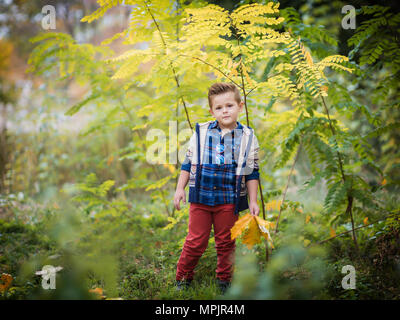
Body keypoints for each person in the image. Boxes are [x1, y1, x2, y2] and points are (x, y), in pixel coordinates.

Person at [173, 82, 260, 294]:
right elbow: (187, 163)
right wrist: (179, 189)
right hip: (201, 199)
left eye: (229, 105)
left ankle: (224, 281)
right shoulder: (201, 133)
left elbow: (252, 172)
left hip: (228, 201)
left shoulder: (248, 137)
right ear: (212, 111)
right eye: (219, 108)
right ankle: (183, 278)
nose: (225, 111)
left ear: (240, 106)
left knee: (226, 242)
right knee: (196, 241)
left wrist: (253, 200)